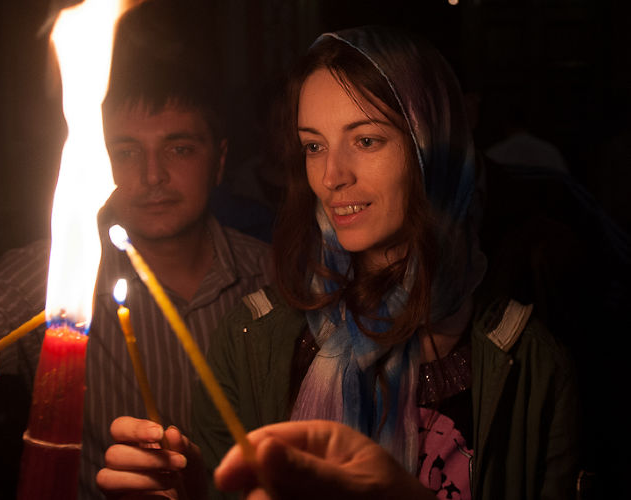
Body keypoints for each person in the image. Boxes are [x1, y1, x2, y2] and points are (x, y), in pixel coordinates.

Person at [97, 25, 580, 500]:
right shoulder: (251, 339)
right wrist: (191, 492)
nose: (331, 176)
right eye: (314, 145)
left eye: (366, 140)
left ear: (431, 146)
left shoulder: (527, 361)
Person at [0, 1, 272, 498]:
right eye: (125, 152)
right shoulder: (49, 273)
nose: (152, 176)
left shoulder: (276, 277)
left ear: (218, 162)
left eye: (179, 149)